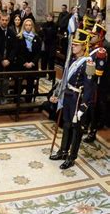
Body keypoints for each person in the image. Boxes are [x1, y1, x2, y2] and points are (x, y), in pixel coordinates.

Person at [49, 29, 96, 169]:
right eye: (73, 44)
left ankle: (71, 157)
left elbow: (89, 87)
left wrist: (84, 106)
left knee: (77, 130)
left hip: (78, 99)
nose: (73, 46)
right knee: (67, 125)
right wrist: (58, 95)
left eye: (76, 44)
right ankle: (63, 151)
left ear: (83, 46)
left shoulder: (88, 63)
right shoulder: (73, 60)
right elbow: (65, 80)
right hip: (69, 96)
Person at [11, 18, 41, 102]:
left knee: (30, 85)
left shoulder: (36, 38)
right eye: (26, 25)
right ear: (23, 26)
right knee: (18, 84)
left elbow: (38, 53)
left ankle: (28, 102)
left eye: (30, 25)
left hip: (32, 66)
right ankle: (16, 101)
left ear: (32, 26)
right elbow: (17, 53)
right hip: (21, 65)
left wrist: (32, 63)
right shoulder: (19, 37)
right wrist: (24, 62)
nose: (28, 27)